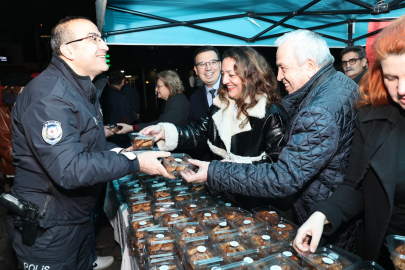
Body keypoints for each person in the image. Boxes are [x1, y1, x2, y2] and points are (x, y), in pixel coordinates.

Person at [5, 16, 172, 270]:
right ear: (68, 50)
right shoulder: (50, 97)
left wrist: (122, 151)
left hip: (74, 218)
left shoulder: (81, 90)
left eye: (102, 39)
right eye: (94, 38)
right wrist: (134, 162)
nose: (104, 46)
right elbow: (70, 169)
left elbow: (87, 145)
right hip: (49, 227)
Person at [173, 30, 359, 229]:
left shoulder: (316, 110)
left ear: (310, 66)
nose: (279, 77)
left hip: (317, 215)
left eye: (283, 68)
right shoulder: (339, 85)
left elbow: (283, 176)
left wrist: (216, 172)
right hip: (324, 210)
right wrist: (167, 133)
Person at [294, 15, 405, 268]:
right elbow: (356, 185)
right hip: (382, 255)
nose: (401, 89)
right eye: (391, 78)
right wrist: (322, 215)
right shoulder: (371, 118)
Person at [142, 46, 288, 209]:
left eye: (231, 75)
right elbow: (198, 132)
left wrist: (222, 172)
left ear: (250, 75)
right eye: (224, 74)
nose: (224, 81)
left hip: (259, 204)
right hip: (227, 196)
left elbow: (277, 169)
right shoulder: (221, 104)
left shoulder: (271, 113)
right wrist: (164, 132)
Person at [116, 70, 189, 134]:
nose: (156, 90)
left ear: (169, 86)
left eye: (158, 86)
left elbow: (160, 125)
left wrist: (132, 128)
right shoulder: (172, 99)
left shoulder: (177, 102)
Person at [0, 73, 31, 193]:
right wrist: (24, 161)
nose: (27, 91)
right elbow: (5, 144)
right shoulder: (3, 111)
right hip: (18, 166)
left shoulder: (27, 105)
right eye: (23, 88)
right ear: (12, 88)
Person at [100, 70, 139, 147]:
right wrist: (135, 116)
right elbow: (125, 120)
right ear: (123, 81)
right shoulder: (122, 97)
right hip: (119, 137)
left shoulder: (101, 95)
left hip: (104, 134)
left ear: (108, 82)